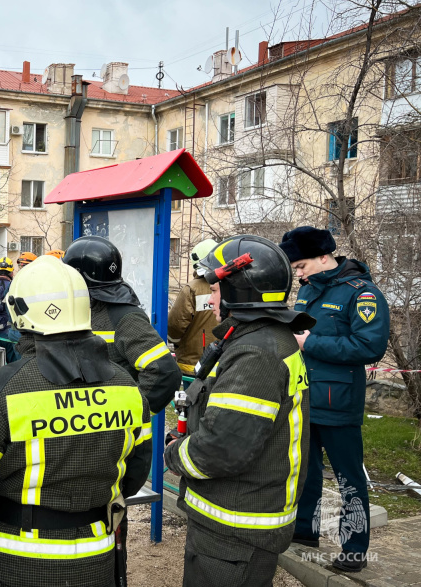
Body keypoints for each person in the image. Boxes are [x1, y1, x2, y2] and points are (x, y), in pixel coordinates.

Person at [0, 255, 152, 587]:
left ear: (20, 312)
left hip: (15, 562)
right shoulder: (128, 387)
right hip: (96, 558)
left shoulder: (3, 389)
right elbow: (135, 472)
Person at [164, 234, 314, 587]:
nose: (210, 297)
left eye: (216, 289)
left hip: (236, 528)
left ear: (240, 290)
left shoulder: (257, 353)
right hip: (231, 521)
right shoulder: (259, 338)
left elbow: (221, 450)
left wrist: (174, 455)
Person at [279, 226, 389, 572]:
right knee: (306, 472)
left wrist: (309, 343)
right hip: (305, 398)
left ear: (324, 257)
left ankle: (355, 549)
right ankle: (305, 531)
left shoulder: (362, 294)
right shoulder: (310, 289)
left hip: (339, 403)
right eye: (295, 268)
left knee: (348, 479)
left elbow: (369, 347)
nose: (298, 274)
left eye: (302, 266)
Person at [63, 236, 181, 414]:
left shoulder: (124, 317)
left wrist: (126, 415)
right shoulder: (87, 310)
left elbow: (165, 373)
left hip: (112, 432)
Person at [168, 238, 219, 375]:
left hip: (192, 365)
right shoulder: (232, 286)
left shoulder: (192, 289)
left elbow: (175, 325)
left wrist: (176, 343)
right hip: (223, 366)